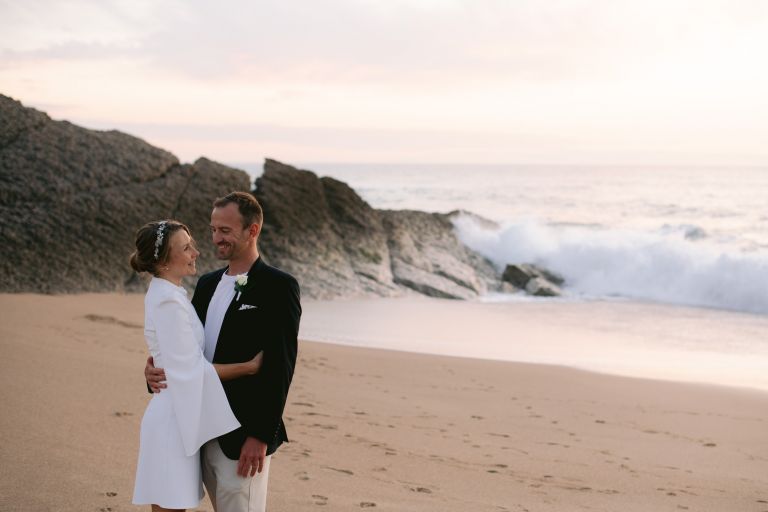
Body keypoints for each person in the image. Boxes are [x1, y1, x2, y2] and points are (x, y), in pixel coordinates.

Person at [146, 192, 301, 512]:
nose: (216, 238)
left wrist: (259, 435)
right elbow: (184, 352)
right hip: (199, 432)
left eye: (226, 231)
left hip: (242, 437)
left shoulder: (278, 286)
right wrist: (154, 374)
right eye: (213, 229)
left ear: (252, 230)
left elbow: (280, 366)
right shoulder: (205, 283)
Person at [130, 220, 265, 511]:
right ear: (165, 260)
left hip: (179, 416)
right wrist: (250, 367)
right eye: (186, 247)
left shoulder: (171, 293)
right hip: (171, 423)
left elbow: (174, 356)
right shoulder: (168, 301)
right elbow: (190, 369)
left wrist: (155, 365)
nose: (197, 252)